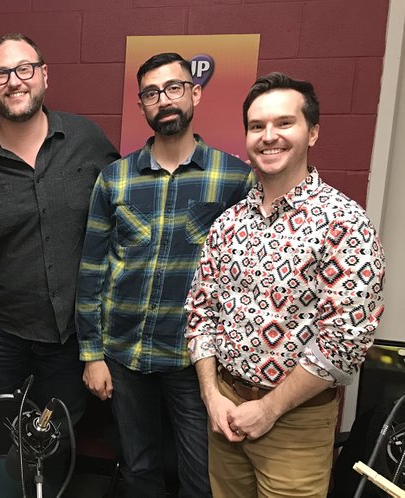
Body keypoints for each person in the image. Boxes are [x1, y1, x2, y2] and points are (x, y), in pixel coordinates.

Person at [186, 72, 386, 497]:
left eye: (284, 123)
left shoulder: (343, 223)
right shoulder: (229, 223)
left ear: (312, 132)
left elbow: (345, 342)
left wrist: (270, 408)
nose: (268, 136)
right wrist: (211, 395)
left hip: (294, 423)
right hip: (225, 411)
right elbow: (200, 311)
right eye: (257, 126)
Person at [75, 52, 254, 497]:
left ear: (194, 93)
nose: (164, 100)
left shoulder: (234, 179)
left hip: (194, 360)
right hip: (124, 350)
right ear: (142, 106)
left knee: (200, 476)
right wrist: (91, 354)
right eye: (152, 93)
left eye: (174, 88)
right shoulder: (115, 180)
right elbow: (92, 268)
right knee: (138, 468)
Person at [0, 32, 119, 423]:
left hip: (70, 335)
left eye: (24, 68)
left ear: (44, 75)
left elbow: (123, 217)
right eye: (1, 74)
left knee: (60, 434)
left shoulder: (87, 141)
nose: (14, 81)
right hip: (1, 332)